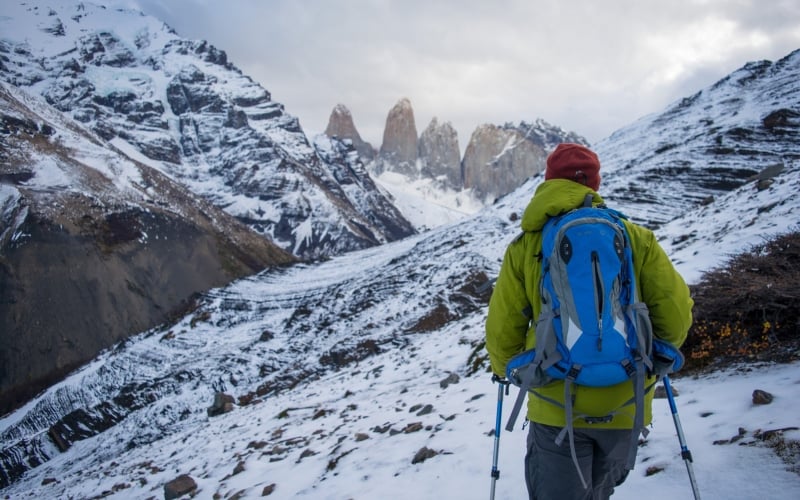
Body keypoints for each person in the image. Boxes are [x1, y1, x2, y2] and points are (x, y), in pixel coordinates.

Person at [485, 143, 693, 499]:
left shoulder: (526, 246)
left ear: (548, 182)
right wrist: (657, 359)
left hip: (555, 403)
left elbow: (504, 327)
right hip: (627, 403)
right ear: (593, 185)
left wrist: (507, 368)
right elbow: (674, 310)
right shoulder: (635, 237)